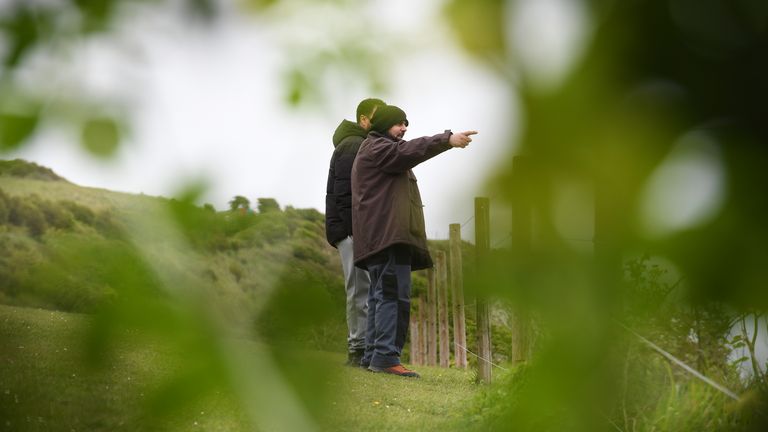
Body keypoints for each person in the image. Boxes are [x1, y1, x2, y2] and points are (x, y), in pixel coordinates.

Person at [351, 104, 476, 377]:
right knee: (394, 296)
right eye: (399, 123)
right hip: (388, 237)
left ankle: (373, 356)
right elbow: (409, 151)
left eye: (406, 123)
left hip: (380, 237)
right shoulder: (379, 148)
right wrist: (447, 139)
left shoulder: (374, 149)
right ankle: (386, 357)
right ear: (384, 124)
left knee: (381, 296)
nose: (405, 128)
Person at [325, 97, 386, 367]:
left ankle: (363, 347)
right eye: (377, 116)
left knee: (363, 287)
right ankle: (357, 349)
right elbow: (346, 194)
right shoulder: (353, 145)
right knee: (359, 288)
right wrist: (356, 231)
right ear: (363, 119)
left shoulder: (360, 144)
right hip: (352, 229)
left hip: (357, 228)